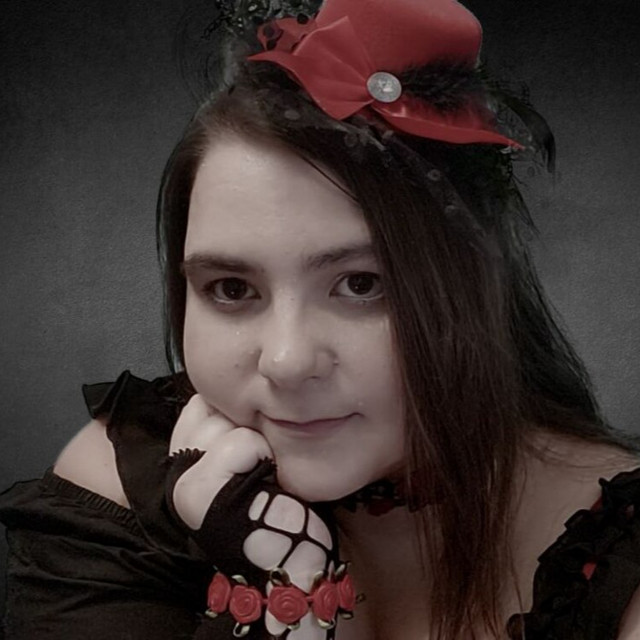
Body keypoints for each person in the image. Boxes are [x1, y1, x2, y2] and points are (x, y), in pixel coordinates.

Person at [1, 0, 639, 638]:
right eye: (231, 288)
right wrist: (282, 590)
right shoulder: (121, 492)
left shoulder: (616, 561)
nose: (286, 360)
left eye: (361, 284)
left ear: (477, 289)